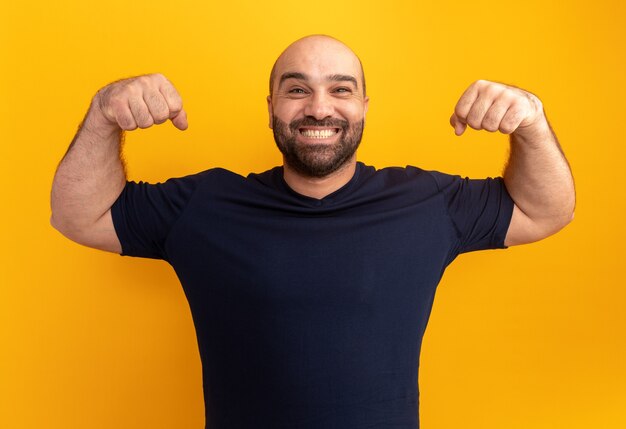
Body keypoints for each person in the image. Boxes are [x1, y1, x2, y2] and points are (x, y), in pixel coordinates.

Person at [50, 34, 575, 429]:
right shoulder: (204, 205)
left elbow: (545, 210)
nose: (319, 107)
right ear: (272, 109)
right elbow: (79, 215)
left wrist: (531, 121)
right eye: (296, 89)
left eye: (340, 90)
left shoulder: (426, 202)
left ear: (364, 108)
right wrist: (103, 115)